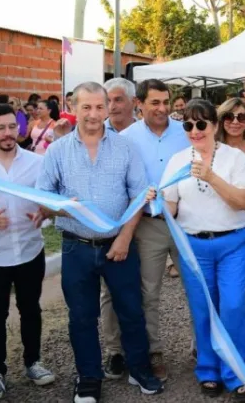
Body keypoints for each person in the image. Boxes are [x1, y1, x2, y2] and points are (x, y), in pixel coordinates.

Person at [34, 82, 163, 401]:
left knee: (131, 310)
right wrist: (64, 205)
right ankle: (89, 377)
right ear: (73, 108)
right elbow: (42, 200)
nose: (93, 114)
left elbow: (138, 195)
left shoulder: (124, 147)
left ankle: (139, 368)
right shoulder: (57, 151)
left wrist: (124, 237)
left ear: (108, 108)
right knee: (81, 316)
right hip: (76, 247)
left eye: (99, 107)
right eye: (86, 107)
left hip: (118, 246)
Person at [161, 99, 245, 400]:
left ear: (215, 126)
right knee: (203, 310)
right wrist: (157, 201)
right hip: (195, 246)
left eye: (201, 123)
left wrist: (211, 176)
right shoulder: (177, 161)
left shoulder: (234, 158)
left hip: (232, 243)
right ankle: (208, 370)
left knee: (232, 306)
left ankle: (239, 372)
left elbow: (242, 201)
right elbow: (172, 207)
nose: (195, 130)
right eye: (188, 125)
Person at [100, 79, 190, 382]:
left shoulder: (186, 132)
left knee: (196, 289)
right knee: (148, 293)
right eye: (155, 102)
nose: (162, 108)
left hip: (186, 222)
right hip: (148, 226)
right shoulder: (126, 139)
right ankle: (155, 353)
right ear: (139, 104)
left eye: (166, 101)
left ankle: (203, 348)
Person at [0, 104, 55, 402]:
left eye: (12, 127)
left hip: (31, 250)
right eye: (0, 128)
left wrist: (44, 213)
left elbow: (49, 202)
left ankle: (33, 363)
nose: (7, 133)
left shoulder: (36, 163)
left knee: (31, 309)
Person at [217, 98, 245, 352]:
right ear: (221, 120)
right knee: (215, 288)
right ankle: (214, 344)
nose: (235, 122)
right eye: (229, 117)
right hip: (214, 223)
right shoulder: (210, 148)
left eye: (241, 117)